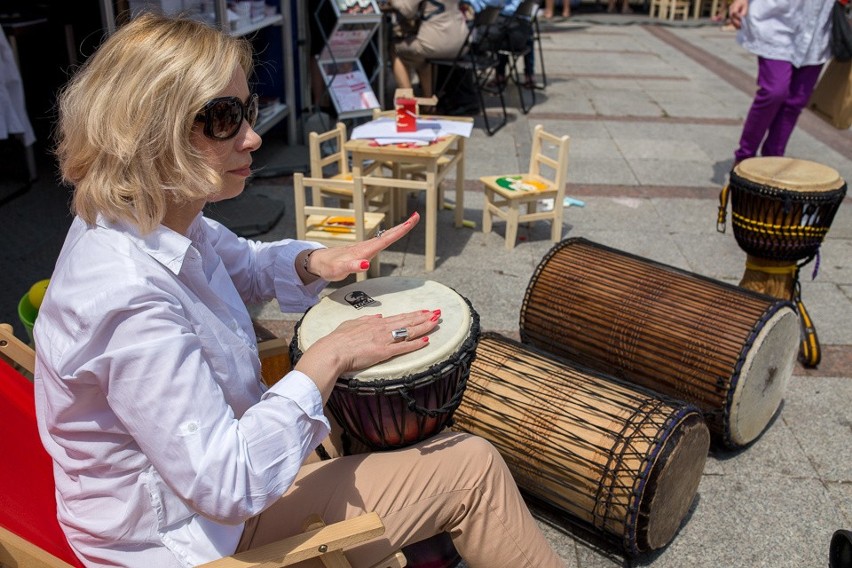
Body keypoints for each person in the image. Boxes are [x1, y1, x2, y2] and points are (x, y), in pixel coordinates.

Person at [35, 12, 565, 568]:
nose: (253, 135)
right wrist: (328, 356)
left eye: (248, 109)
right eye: (223, 117)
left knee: (366, 401)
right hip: (188, 538)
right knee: (472, 467)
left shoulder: (153, 216)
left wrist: (316, 260)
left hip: (195, 497)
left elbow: (247, 263)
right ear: (149, 131)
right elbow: (227, 482)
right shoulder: (126, 295)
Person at [729, 0, 834, 166]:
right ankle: (744, 158)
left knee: (796, 101)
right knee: (774, 91)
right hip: (776, 20)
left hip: (819, 28)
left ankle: (773, 160)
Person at [388, 0, 469, 100]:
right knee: (421, 53)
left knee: (395, 49)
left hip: (438, 44)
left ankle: (408, 102)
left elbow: (405, 9)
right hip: (461, 44)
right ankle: (429, 103)